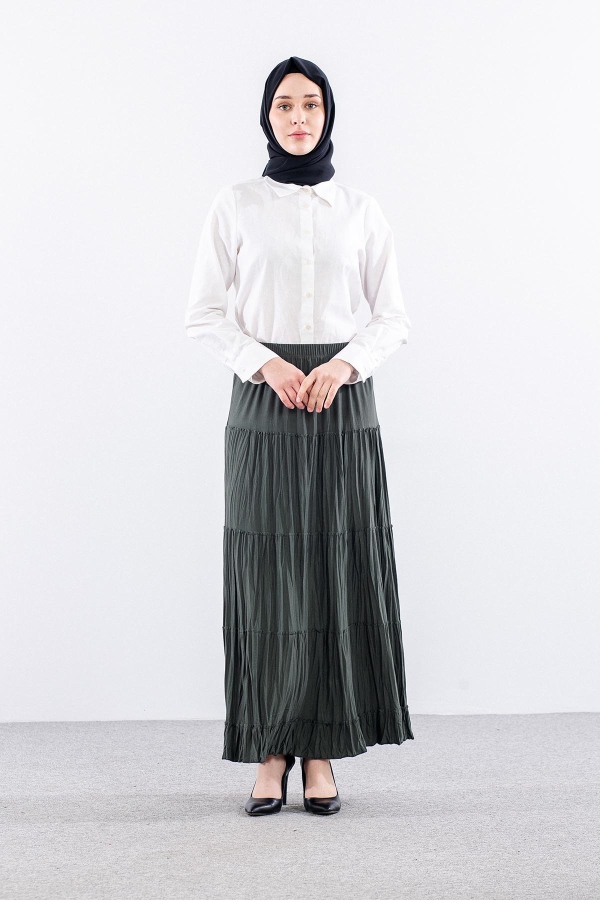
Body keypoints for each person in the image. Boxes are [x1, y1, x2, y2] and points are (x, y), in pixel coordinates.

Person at [185, 56, 414, 816]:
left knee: (334, 570)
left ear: (328, 114)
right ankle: (269, 750)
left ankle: (321, 752)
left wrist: (345, 365)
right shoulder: (237, 205)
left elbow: (392, 317)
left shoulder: (361, 210)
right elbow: (204, 314)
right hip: (264, 404)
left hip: (342, 405)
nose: (298, 117)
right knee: (267, 578)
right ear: (267, 116)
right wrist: (265, 363)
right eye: (284, 105)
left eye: (310, 104)